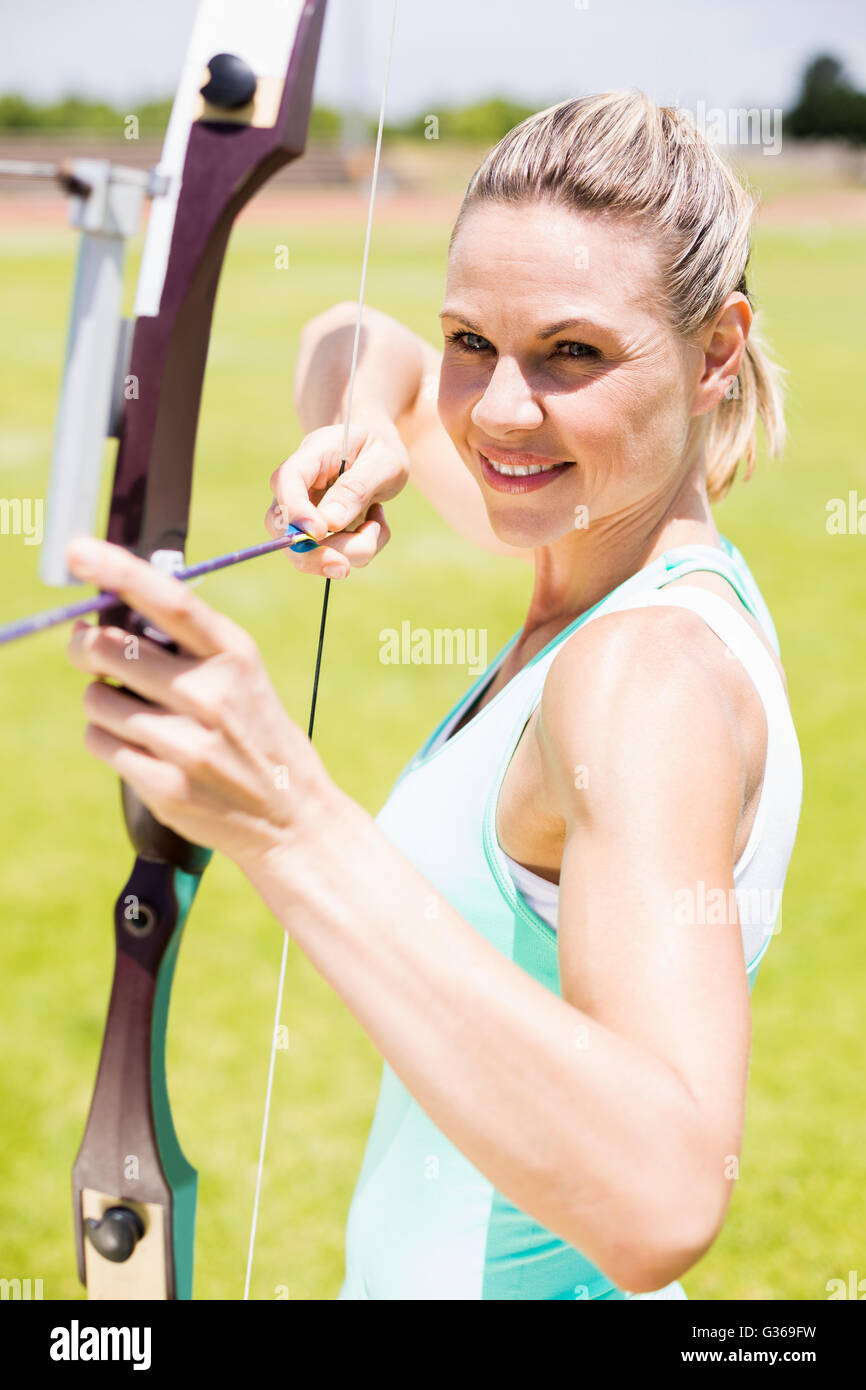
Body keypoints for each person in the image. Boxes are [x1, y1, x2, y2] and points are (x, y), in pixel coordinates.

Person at [69, 91, 802, 1300]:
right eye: (472, 340)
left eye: (571, 352)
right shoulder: (600, 557)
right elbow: (354, 337)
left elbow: (663, 1192)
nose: (501, 411)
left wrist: (287, 821)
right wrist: (366, 426)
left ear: (716, 349)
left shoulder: (641, 676)